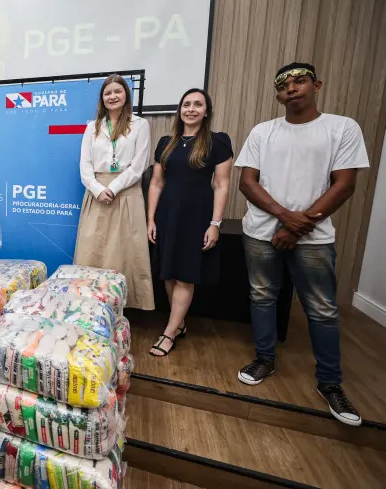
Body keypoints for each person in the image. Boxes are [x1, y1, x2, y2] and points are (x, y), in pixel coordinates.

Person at [235, 62, 369, 426]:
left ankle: (330, 383)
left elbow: (345, 185)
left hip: (313, 237)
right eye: (284, 86)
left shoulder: (342, 128)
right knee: (262, 297)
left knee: (322, 309)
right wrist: (285, 217)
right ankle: (265, 359)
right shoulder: (263, 131)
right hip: (261, 233)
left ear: (316, 85)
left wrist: (296, 228)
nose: (292, 88)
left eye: (300, 81)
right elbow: (247, 182)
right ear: (278, 95)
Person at [146, 89, 233, 356]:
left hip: (197, 217)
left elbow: (222, 185)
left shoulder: (217, 142)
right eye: (186, 104)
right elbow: (156, 183)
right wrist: (150, 219)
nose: (191, 109)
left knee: (185, 275)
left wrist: (215, 224)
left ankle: (169, 333)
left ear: (206, 111)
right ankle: (179, 324)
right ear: (180, 110)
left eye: (198, 104)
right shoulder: (166, 143)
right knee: (169, 273)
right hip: (167, 215)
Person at [74, 74, 155, 311]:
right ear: (102, 98)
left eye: (117, 91)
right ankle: (89, 303)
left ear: (126, 95)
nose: (112, 96)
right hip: (97, 194)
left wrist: (114, 187)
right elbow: (85, 166)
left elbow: (139, 165)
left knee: (125, 251)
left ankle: (123, 305)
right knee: (92, 250)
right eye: (107, 93)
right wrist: (98, 189)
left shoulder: (140, 125)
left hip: (126, 193)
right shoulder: (93, 127)